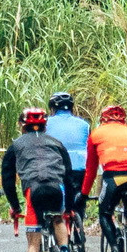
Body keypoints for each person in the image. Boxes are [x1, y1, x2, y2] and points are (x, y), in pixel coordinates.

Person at [1, 107, 74, 252]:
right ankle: (65, 251)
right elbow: (68, 178)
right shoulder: (56, 144)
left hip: (33, 191)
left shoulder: (16, 145)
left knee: (34, 244)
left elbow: (7, 181)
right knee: (58, 219)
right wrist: (68, 207)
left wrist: (15, 207)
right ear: (45, 126)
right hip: (55, 187)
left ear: (21, 125)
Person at [78, 105, 127, 252]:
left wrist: (84, 193)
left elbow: (91, 169)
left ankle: (115, 248)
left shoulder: (96, 134)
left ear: (103, 119)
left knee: (105, 214)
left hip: (114, 176)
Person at [45, 92, 89, 223]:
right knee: (78, 197)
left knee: (53, 199)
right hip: (79, 167)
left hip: (55, 167)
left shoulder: (46, 123)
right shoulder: (84, 124)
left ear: (52, 108)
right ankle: (78, 223)